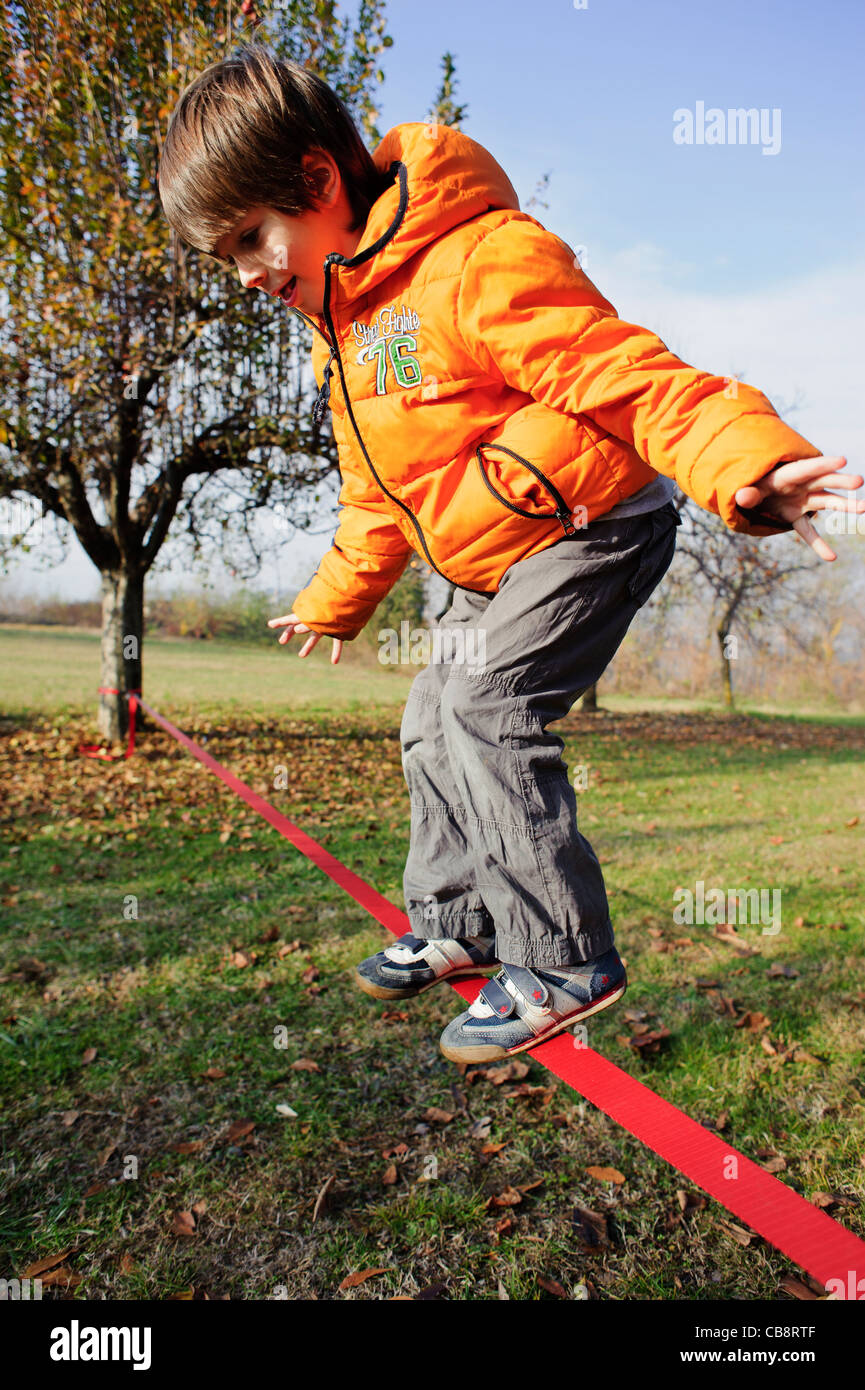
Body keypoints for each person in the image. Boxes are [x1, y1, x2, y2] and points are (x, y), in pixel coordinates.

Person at [159, 44, 861, 1064]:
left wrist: (745, 458)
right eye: (225, 257)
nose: (247, 274)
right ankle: (459, 922)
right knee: (429, 720)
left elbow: (625, 372)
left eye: (249, 239)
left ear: (317, 181)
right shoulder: (347, 338)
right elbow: (377, 494)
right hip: (482, 558)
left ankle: (564, 957)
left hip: (591, 526)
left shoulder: (474, 260)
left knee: (485, 706)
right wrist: (333, 598)